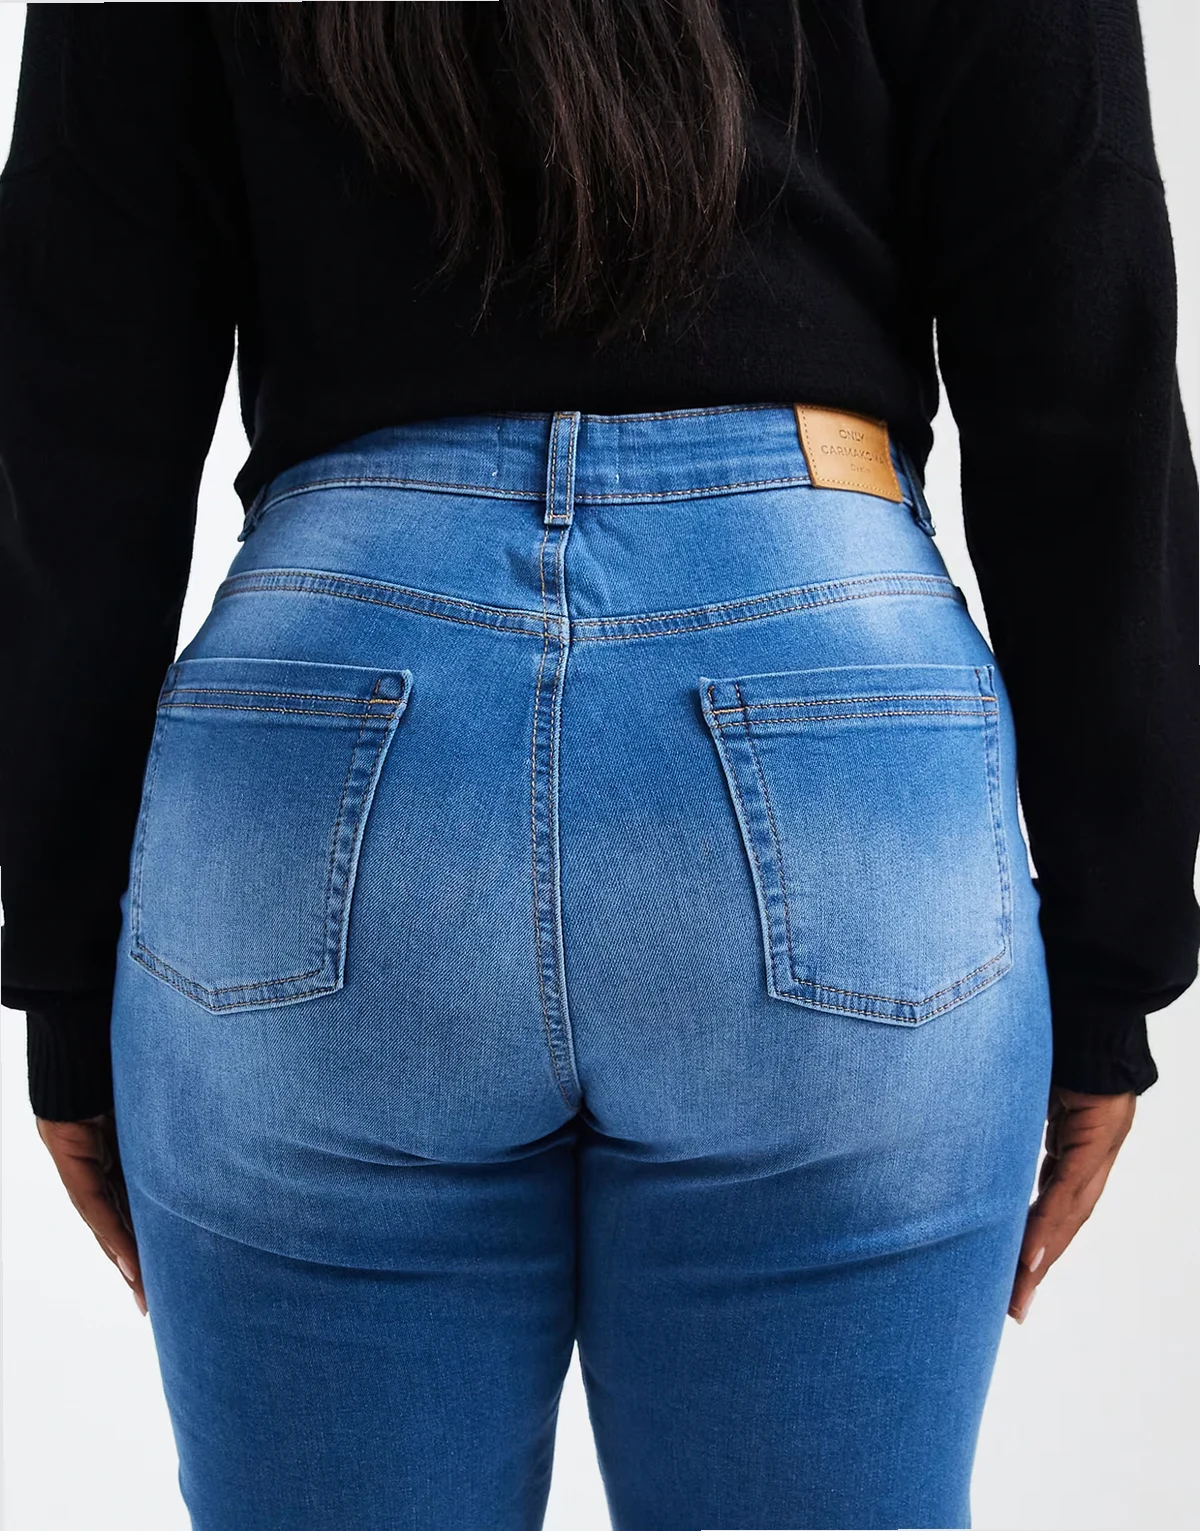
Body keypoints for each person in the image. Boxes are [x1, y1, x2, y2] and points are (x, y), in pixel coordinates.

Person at [0, 2, 1196, 1528]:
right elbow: (1083, 378)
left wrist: (62, 965)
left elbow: (71, 406)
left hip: (332, 737)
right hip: (827, 719)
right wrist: (1113, 962)